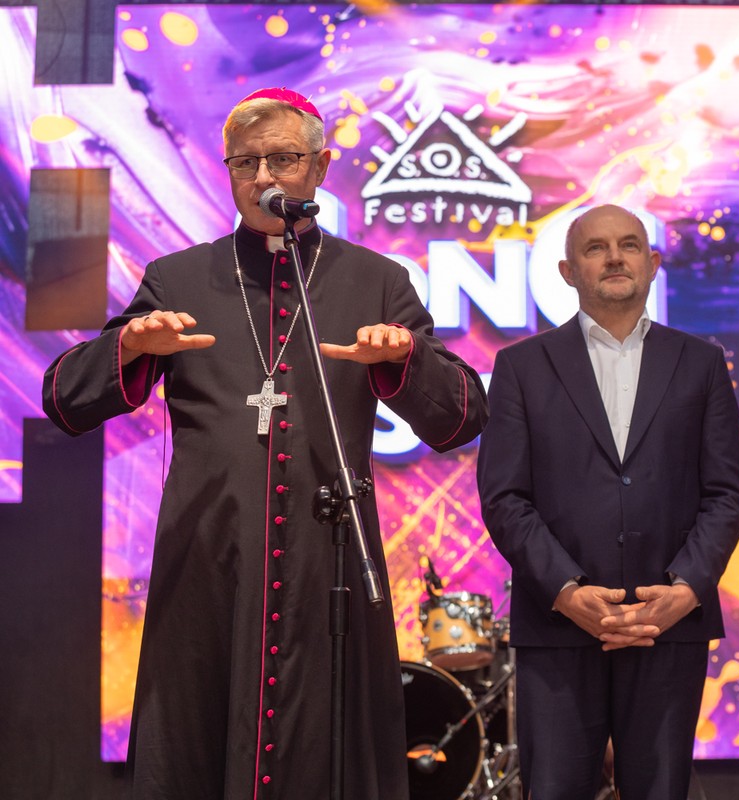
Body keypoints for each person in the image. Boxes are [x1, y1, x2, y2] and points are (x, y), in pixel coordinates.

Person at [42, 88, 487, 799]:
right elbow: (65, 400)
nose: (263, 177)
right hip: (207, 565)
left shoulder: (376, 281)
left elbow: (460, 417)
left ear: (320, 166)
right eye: (245, 163)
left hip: (328, 567)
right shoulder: (178, 279)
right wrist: (129, 346)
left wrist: (404, 359)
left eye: (282, 159)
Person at [476, 204, 739, 800]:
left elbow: (728, 493)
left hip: (669, 623)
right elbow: (504, 498)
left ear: (653, 264)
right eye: (596, 248)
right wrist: (566, 591)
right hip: (559, 624)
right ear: (567, 271)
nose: (615, 257)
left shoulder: (700, 362)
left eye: (629, 245)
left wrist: (686, 590)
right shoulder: (521, 366)